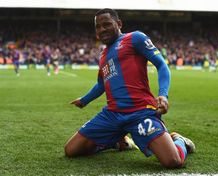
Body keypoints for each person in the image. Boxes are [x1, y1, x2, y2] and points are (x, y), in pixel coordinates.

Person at [65, 8, 195, 168]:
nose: (102, 29)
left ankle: (179, 141)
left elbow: (161, 65)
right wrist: (84, 100)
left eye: (106, 24)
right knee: (71, 150)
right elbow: (101, 84)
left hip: (140, 112)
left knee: (173, 161)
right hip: (112, 115)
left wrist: (163, 95)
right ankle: (117, 142)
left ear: (119, 23)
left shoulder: (135, 38)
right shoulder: (103, 55)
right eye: (98, 27)